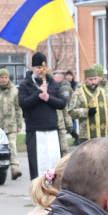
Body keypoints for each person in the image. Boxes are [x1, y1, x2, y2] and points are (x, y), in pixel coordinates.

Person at [18, 52, 67, 180]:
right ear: (33, 68)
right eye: (38, 67)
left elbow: (62, 103)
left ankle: (53, 188)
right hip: (35, 130)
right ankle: (37, 188)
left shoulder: (53, 84)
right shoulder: (25, 85)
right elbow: (23, 104)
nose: (41, 70)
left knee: (53, 162)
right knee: (38, 163)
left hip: (51, 128)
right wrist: (38, 94)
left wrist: (48, 98)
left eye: (43, 67)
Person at [68, 64, 108, 143]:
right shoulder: (78, 93)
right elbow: (71, 112)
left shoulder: (104, 93)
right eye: (90, 79)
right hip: (86, 137)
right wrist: (86, 112)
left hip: (105, 135)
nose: (93, 82)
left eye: (95, 79)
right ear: (85, 80)